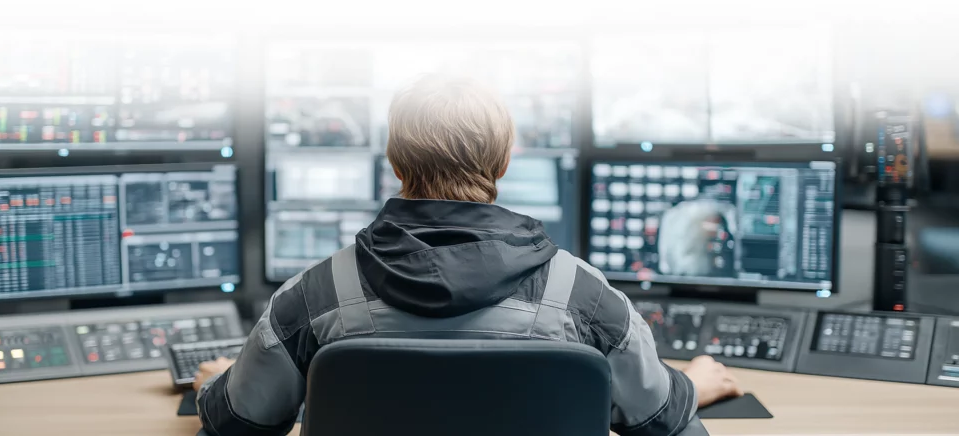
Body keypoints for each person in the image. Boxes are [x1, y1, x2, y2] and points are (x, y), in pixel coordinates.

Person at [194, 74, 743, 435]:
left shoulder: (312, 296)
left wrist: (216, 387)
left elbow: (234, 427)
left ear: (394, 160)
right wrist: (691, 383)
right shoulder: (584, 296)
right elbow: (666, 424)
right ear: (503, 161)